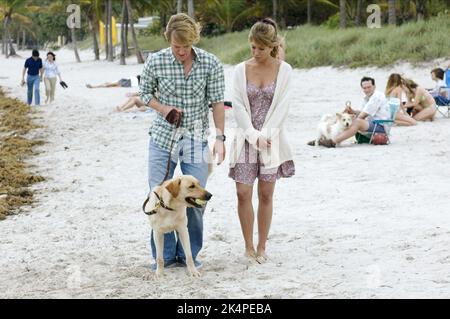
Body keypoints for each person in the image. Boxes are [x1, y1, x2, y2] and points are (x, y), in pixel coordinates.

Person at [139, 13, 226, 270]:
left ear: (193, 41)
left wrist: (220, 137)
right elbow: (144, 94)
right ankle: (163, 258)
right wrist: (164, 108)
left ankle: (189, 254)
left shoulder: (211, 63)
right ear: (169, 40)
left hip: (196, 139)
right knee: (159, 197)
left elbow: (218, 103)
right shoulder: (156, 61)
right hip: (162, 139)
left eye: (186, 47)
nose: (181, 51)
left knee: (197, 201)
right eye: (176, 46)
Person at [228, 18, 295, 264]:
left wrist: (266, 135)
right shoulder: (240, 70)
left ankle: (262, 246)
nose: (256, 53)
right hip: (246, 140)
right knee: (242, 192)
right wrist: (254, 135)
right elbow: (237, 105)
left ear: (273, 46)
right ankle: (248, 246)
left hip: (272, 140)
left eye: (261, 48)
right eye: (253, 47)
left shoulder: (284, 69)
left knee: (266, 194)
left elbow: (283, 105)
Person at [314, 77, 391, 148]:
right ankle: (325, 139)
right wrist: (351, 111)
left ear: (374, 86)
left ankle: (333, 142)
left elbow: (361, 116)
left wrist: (350, 117)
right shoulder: (367, 98)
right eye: (364, 88)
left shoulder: (377, 96)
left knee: (354, 121)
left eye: (369, 87)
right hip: (371, 124)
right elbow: (361, 112)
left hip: (381, 126)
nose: (367, 90)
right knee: (348, 119)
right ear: (362, 88)